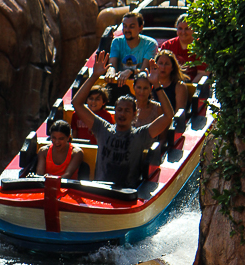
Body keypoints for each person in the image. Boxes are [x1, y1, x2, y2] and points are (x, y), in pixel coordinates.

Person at [72, 51, 174, 189]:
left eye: (127, 111)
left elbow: (169, 116)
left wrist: (157, 85)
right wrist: (95, 76)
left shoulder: (140, 135)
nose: (122, 114)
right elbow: (77, 103)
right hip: (101, 190)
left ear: (134, 114)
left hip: (125, 194)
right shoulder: (102, 128)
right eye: (119, 110)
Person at [105, 12, 157, 87]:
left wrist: (131, 72)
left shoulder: (150, 44)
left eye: (131, 27)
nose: (127, 30)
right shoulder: (117, 42)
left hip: (140, 86)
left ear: (140, 28)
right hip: (119, 85)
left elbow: (144, 70)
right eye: (125, 26)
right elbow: (112, 64)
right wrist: (111, 70)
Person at [161, 14, 207, 82]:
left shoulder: (200, 46)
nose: (183, 32)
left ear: (193, 29)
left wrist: (189, 88)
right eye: (180, 29)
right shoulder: (167, 46)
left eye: (187, 29)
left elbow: (203, 73)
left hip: (192, 85)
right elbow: (161, 70)